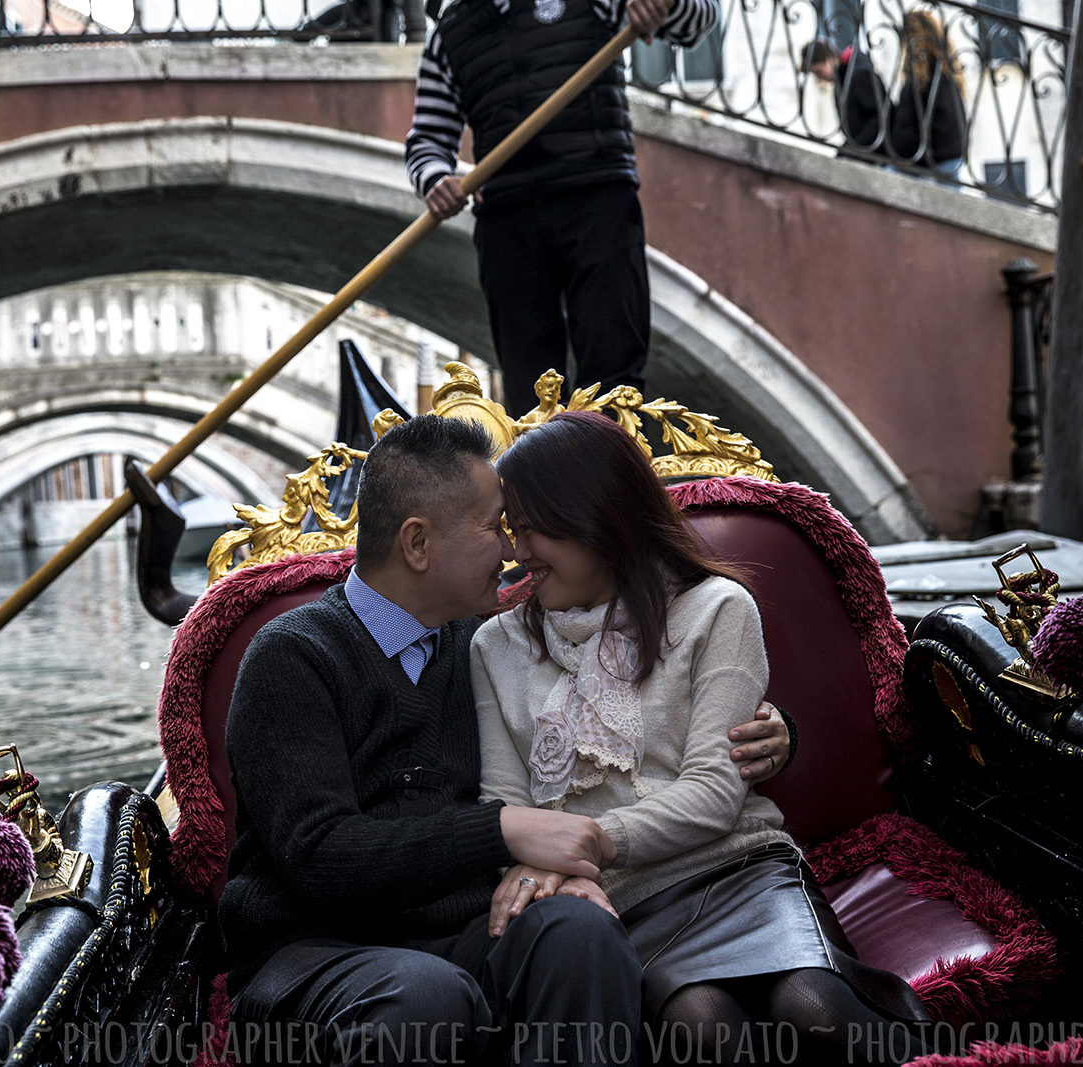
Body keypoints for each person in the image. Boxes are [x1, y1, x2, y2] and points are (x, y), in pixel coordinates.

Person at [219, 413, 792, 1066]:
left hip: (469, 936)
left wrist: (779, 732)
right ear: (417, 544)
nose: (513, 549)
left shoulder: (482, 643)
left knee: (581, 929)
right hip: (317, 958)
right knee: (423, 994)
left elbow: (629, 694)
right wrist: (503, 831)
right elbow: (317, 853)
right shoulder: (294, 656)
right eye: (496, 526)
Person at [472, 411, 931, 1066]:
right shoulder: (496, 643)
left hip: (738, 871)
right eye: (510, 528)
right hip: (619, 905)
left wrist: (590, 839)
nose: (517, 550)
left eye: (530, 526)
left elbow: (716, 793)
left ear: (597, 515)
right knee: (703, 1023)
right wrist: (546, 859)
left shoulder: (717, 608)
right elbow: (502, 806)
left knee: (816, 1007)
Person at [403, 0, 718, 417]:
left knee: (614, 374)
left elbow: (698, 22)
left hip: (597, 200)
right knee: (530, 391)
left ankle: (612, 475)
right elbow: (427, 139)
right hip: (508, 219)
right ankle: (545, 478)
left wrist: (666, 3)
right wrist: (435, 179)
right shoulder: (449, 34)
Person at [888, 10, 967, 176]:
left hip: (935, 160)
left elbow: (919, 122)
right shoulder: (944, 70)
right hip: (947, 156)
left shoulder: (925, 77)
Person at [803, 38, 889, 157]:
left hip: (874, 150)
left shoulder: (859, 75)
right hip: (863, 147)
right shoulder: (843, 79)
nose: (820, 78)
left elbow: (880, 117)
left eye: (819, 72)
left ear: (831, 57)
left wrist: (853, 150)